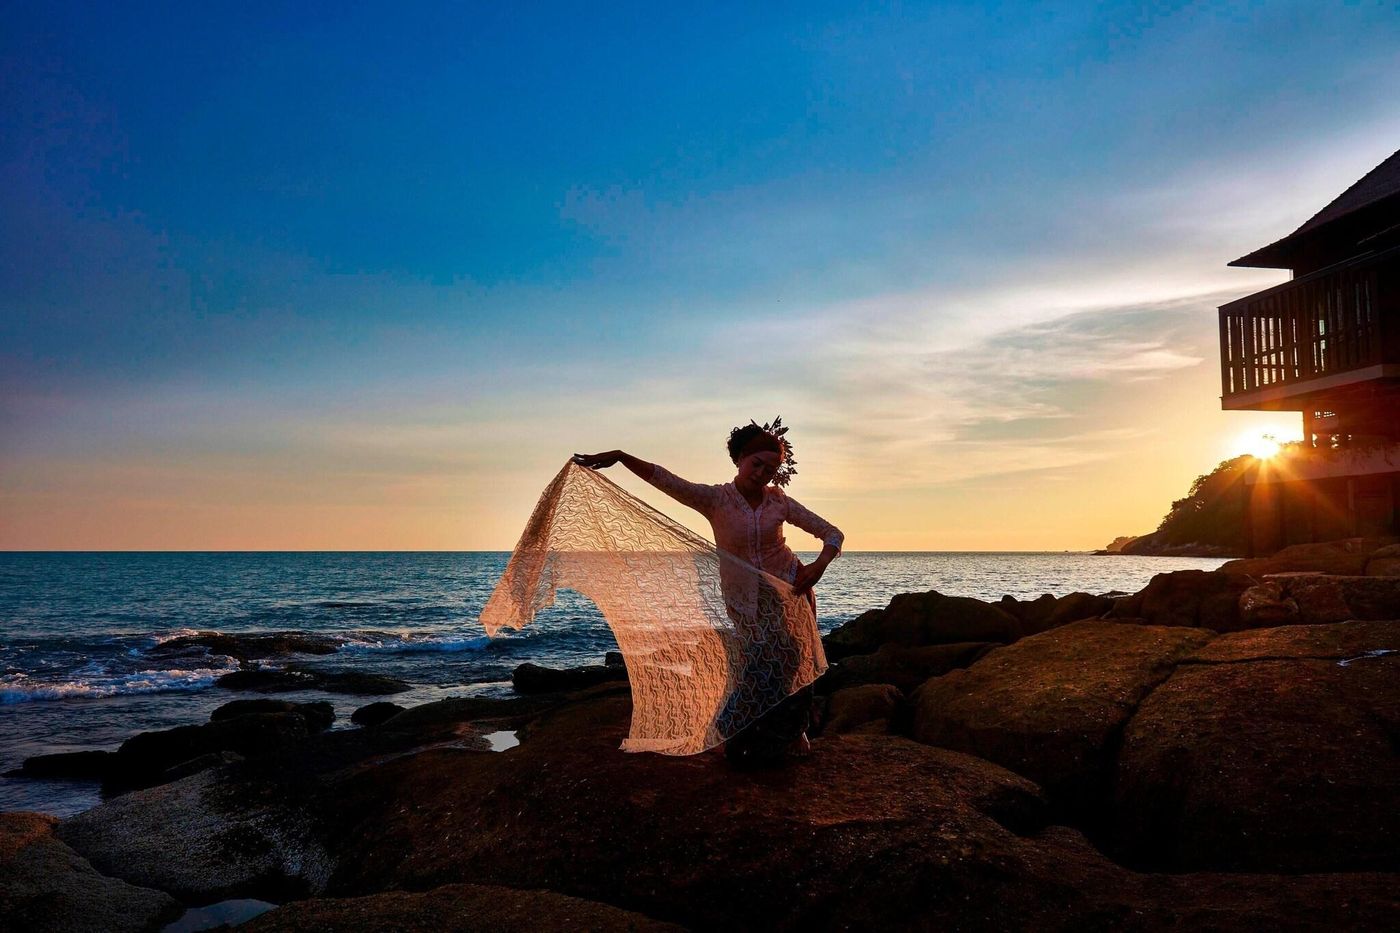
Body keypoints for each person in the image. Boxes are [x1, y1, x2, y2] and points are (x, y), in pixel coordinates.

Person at [572, 420, 844, 766]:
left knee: (795, 661)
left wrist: (818, 565)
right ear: (740, 459)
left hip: (790, 593)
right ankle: (725, 732)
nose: (762, 473)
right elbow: (666, 481)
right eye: (756, 464)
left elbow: (832, 534)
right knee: (753, 664)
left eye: (771, 469)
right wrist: (623, 458)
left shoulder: (779, 502)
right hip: (744, 598)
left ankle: (795, 730)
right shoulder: (716, 500)